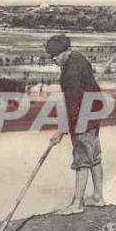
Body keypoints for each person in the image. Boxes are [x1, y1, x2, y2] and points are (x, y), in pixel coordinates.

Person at [45, 34, 105, 215]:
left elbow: (72, 106)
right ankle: (97, 197)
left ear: (67, 50)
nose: (54, 58)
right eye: (52, 56)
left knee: (82, 159)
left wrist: (60, 131)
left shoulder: (70, 74)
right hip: (95, 109)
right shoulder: (78, 57)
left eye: (57, 54)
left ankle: (77, 204)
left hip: (84, 115)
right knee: (93, 154)